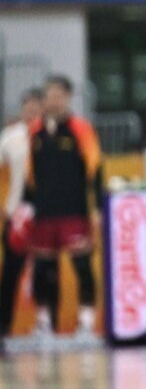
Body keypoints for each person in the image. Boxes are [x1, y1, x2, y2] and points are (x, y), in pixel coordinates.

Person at [24, 76, 100, 341]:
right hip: (44, 212)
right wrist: (27, 207)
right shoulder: (35, 131)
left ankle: (86, 324)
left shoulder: (80, 129)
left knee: (82, 266)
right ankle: (43, 324)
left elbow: (94, 169)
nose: (53, 100)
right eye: (49, 95)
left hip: (74, 210)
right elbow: (30, 175)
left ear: (67, 97)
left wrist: (96, 208)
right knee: (43, 269)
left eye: (58, 95)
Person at [0, 90, 42, 338]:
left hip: (45, 212)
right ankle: (4, 326)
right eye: (27, 108)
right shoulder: (11, 137)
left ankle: (45, 326)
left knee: (46, 269)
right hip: (16, 212)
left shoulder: (47, 134)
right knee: (11, 271)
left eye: (36, 108)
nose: (31, 113)